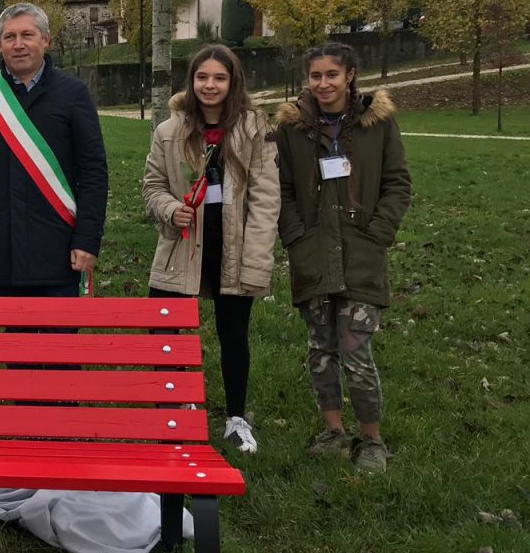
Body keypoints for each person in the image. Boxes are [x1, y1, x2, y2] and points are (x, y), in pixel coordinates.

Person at [275, 42, 412, 474]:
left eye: (331, 74)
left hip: (361, 255)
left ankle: (371, 438)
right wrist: (296, 236)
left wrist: (378, 235)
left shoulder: (379, 124)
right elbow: (282, 190)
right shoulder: (294, 129)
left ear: (350, 74)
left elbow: (397, 184)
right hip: (313, 255)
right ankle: (333, 430)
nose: (323, 84)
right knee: (321, 348)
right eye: (315, 76)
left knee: (356, 349)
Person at [142, 45, 279, 454]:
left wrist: (256, 259)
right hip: (181, 246)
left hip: (233, 246)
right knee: (165, 328)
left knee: (233, 334)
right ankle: (175, 405)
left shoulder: (256, 129)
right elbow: (152, 186)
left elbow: (266, 199)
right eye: (203, 77)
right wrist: (170, 209)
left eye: (219, 78)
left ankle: (236, 418)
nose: (210, 85)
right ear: (192, 82)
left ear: (232, 82)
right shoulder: (170, 130)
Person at [0, 2, 108, 299]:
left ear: (45, 40)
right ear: (0, 45)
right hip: (1, 243)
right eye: (10, 37)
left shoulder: (73, 94)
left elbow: (93, 172)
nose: (19, 45)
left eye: (27, 35)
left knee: (58, 342)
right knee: (15, 342)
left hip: (61, 245)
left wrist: (87, 239)